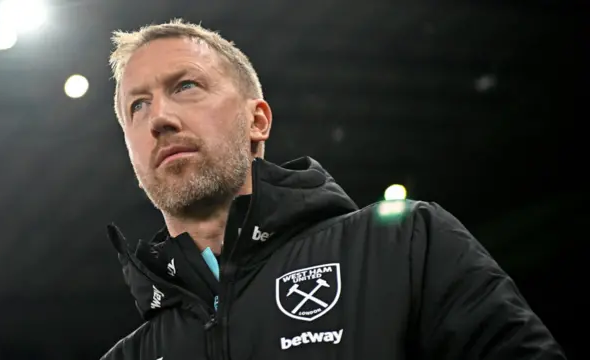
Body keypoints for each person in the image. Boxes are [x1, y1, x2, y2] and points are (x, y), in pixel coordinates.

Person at [101, 18, 565, 360]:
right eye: (137, 105)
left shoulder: (404, 246)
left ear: (256, 121)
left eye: (185, 86)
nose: (159, 117)